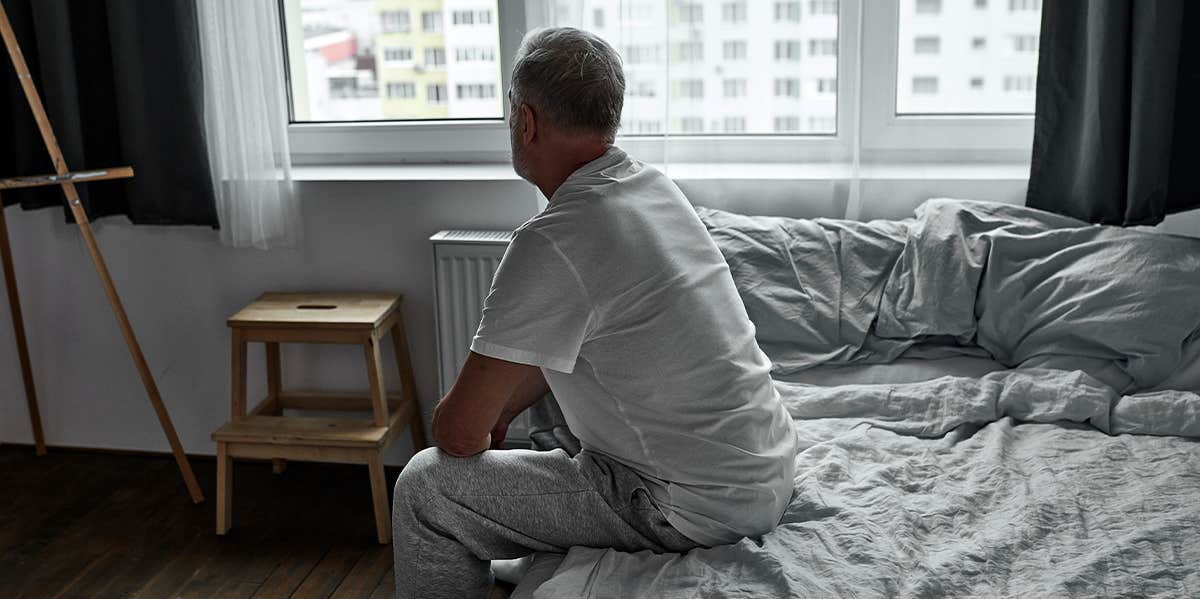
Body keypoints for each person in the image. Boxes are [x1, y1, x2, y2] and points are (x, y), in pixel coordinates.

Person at [392, 26, 798, 598]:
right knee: (550, 394)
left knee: (425, 488)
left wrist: (479, 417)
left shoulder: (553, 240)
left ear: (525, 122)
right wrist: (501, 404)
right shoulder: (653, 187)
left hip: (688, 507)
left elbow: (457, 435)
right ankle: (532, 536)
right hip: (765, 470)